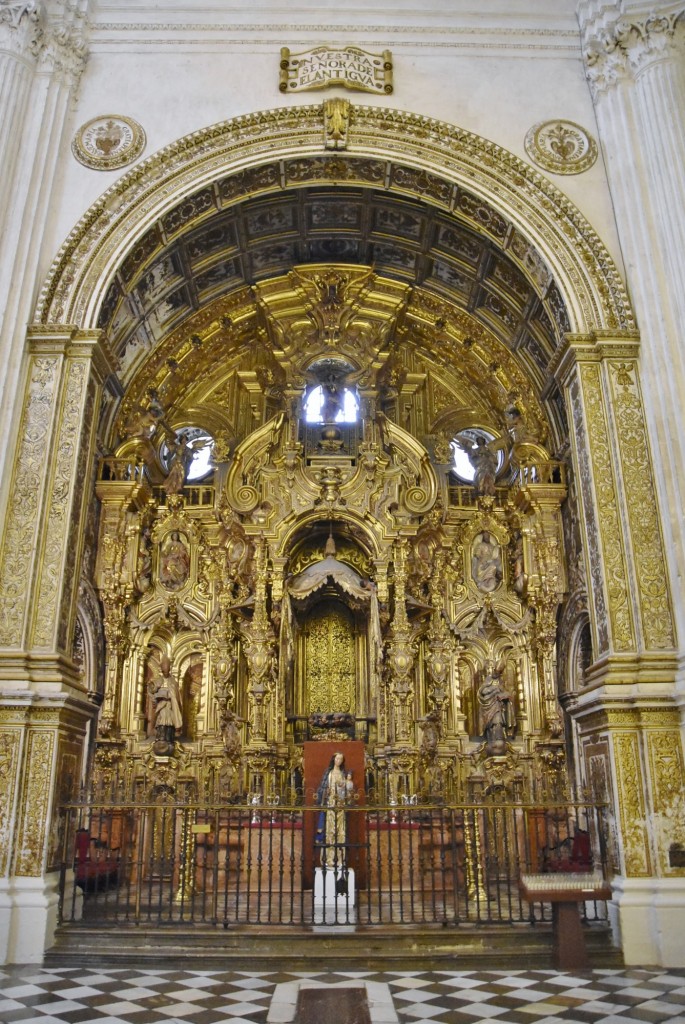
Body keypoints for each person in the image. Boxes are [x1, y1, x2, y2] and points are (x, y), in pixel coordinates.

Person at [315, 752, 354, 870]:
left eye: (341, 759)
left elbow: (347, 791)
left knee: (341, 831)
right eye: (337, 758)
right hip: (331, 805)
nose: (339, 761)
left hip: (340, 806)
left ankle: (340, 859)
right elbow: (323, 789)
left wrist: (347, 784)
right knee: (330, 831)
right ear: (334, 760)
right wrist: (326, 795)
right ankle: (329, 859)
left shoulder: (343, 774)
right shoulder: (329, 773)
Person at [477, 660, 515, 755]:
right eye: (496, 671)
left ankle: (499, 738)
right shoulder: (488, 679)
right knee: (492, 724)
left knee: (498, 722)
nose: (496, 673)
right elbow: (483, 691)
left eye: (499, 672)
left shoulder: (501, 681)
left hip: (499, 706)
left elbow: (504, 691)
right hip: (489, 706)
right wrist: (495, 690)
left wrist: (506, 695)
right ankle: (492, 739)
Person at [149, 654, 183, 746]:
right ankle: (161, 736)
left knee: (170, 718)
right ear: (162, 670)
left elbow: (176, 695)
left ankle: (169, 736)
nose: (166, 673)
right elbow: (152, 691)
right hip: (161, 704)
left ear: (169, 670)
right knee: (163, 716)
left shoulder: (173, 682)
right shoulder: (158, 681)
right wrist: (156, 695)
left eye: (167, 670)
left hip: (171, 705)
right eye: (164, 671)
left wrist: (171, 695)